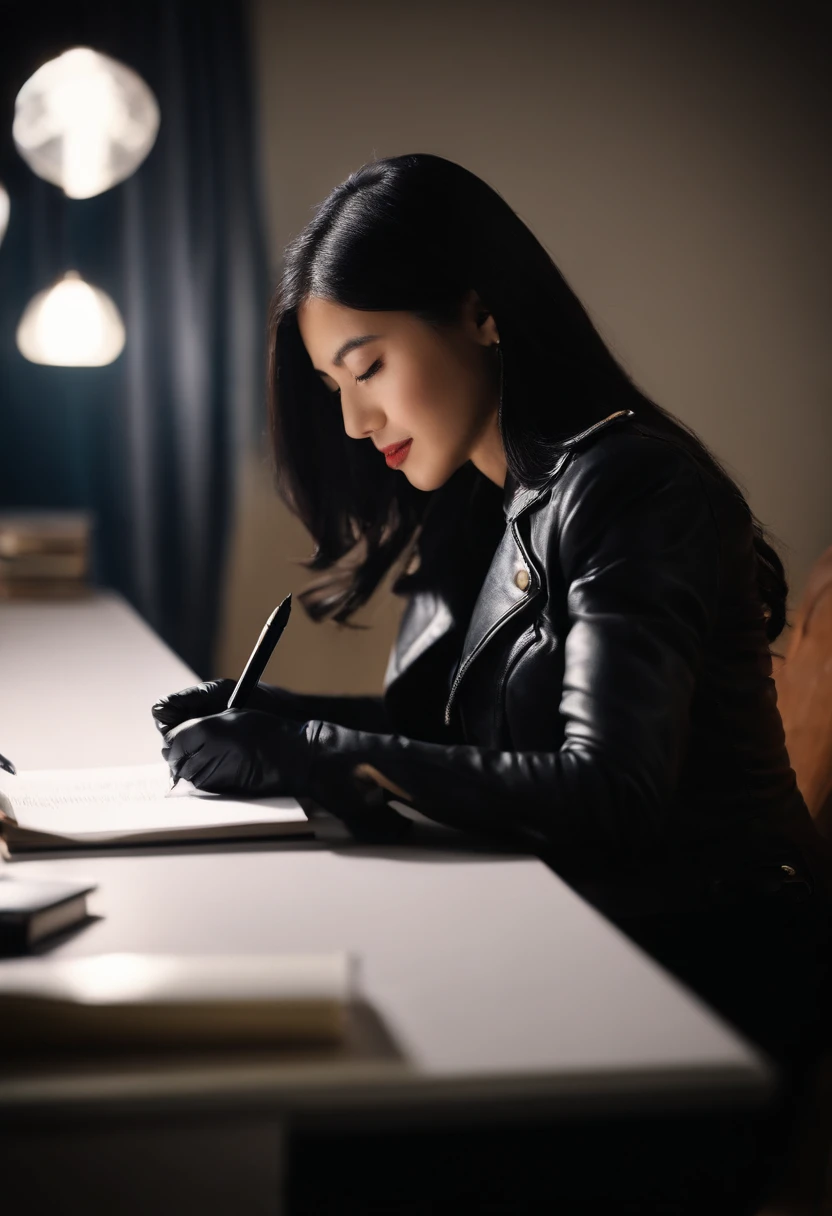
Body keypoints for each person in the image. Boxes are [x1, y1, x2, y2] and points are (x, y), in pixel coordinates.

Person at [152, 152, 832, 1211]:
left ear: (478, 313)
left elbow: (609, 787)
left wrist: (327, 756)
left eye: (368, 368)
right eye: (335, 386)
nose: (352, 423)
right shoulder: (474, 495)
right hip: (577, 928)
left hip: (704, 970)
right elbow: (449, 730)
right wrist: (272, 720)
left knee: (326, 1146)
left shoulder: (636, 487)